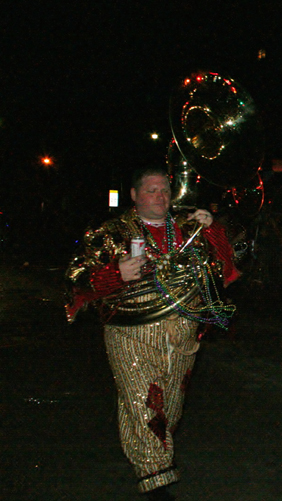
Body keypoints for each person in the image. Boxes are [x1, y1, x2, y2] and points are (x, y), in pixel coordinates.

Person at [65, 166, 240, 501]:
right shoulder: (111, 232)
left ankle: (150, 459)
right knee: (146, 404)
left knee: (168, 410)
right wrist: (114, 275)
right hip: (130, 334)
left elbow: (224, 269)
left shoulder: (187, 228)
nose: (160, 197)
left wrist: (213, 229)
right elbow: (76, 279)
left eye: (165, 190)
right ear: (134, 195)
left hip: (183, 336)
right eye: (151, 190)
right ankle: (157, 482)